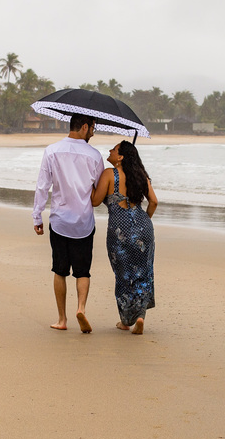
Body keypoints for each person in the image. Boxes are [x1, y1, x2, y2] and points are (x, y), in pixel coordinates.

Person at [33, 114, 104, 332]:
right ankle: (81, 308)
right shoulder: (94, 155)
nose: (93, 133)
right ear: (84, 127)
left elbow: (42, 186)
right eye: (93, 128)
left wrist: (37, 216)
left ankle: (62, 319)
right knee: (83, 272)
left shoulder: (52, 151)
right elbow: (100, 190)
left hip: (60, 221)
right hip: (84, 223)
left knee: (60, 270)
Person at [91, 140, 158, 335]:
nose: (110, 151)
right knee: (143, 273)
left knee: (123, 275)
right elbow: (154, 202)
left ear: (120, 157)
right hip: (143, 229)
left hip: (119, 231)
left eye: (114, 149)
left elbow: (95, 201)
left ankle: (126, 321)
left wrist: (89, 184)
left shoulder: (109, 174)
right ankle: (140, 317)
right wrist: (143, 223)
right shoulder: (140, 175)